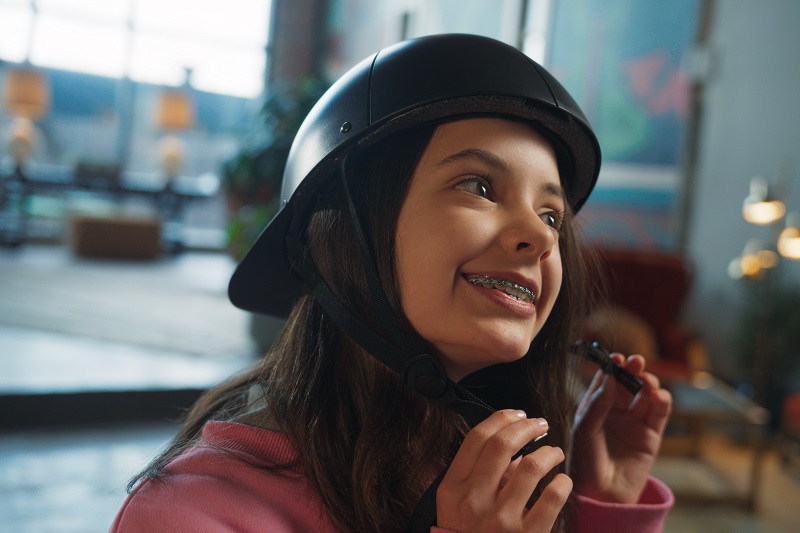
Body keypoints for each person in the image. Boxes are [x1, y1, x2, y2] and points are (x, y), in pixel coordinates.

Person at [111, 34, 673, 532]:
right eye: (478, 186)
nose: (541, 236)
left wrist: (601, 509)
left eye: (552, 216)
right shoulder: (189, 513)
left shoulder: (503, 487)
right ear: (343, 237)